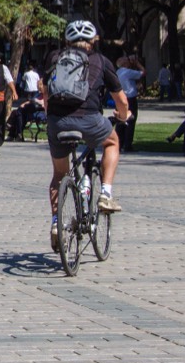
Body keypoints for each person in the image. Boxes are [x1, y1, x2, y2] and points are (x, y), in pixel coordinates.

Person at [45, 20, 130, 249]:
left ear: (67, 41)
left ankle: (56, 222)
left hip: (57, 122)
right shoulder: (101, 61)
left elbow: (46, 93)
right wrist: (123, 115)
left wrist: (51, 117)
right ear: (94, 41)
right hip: (90, 120)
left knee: (59, 175)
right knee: (112, 142)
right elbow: (121, 99)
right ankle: (105, 193)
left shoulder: (54, 58)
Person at [115, 55, 145, 152]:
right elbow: (144, 73)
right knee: (131, 120)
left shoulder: (118, 72)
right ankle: (127, 145)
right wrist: (137, 64)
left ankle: (119, 143)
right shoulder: (128, 72)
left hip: (120, 98)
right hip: (130, 98)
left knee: (120, 120)